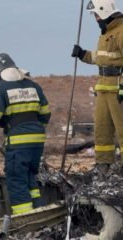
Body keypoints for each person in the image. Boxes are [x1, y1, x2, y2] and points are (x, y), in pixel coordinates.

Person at [0, 53, 51, 215]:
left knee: (16, 180)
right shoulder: (33, 86)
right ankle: (39, 210)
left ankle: (25, 218)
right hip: (38, 142)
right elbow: (45, 115)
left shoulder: (1, 88)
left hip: (18, 143)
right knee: (30, 177)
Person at [71, 0, 123, 176]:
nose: (95, 19)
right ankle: (103, 164)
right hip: (103, 89)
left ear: (105, 12)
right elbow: (100, 58)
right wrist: (82, 54)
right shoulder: (105, 35)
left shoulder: (121, 32)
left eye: (96, 15)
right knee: (102, 129)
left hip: (118, 90)